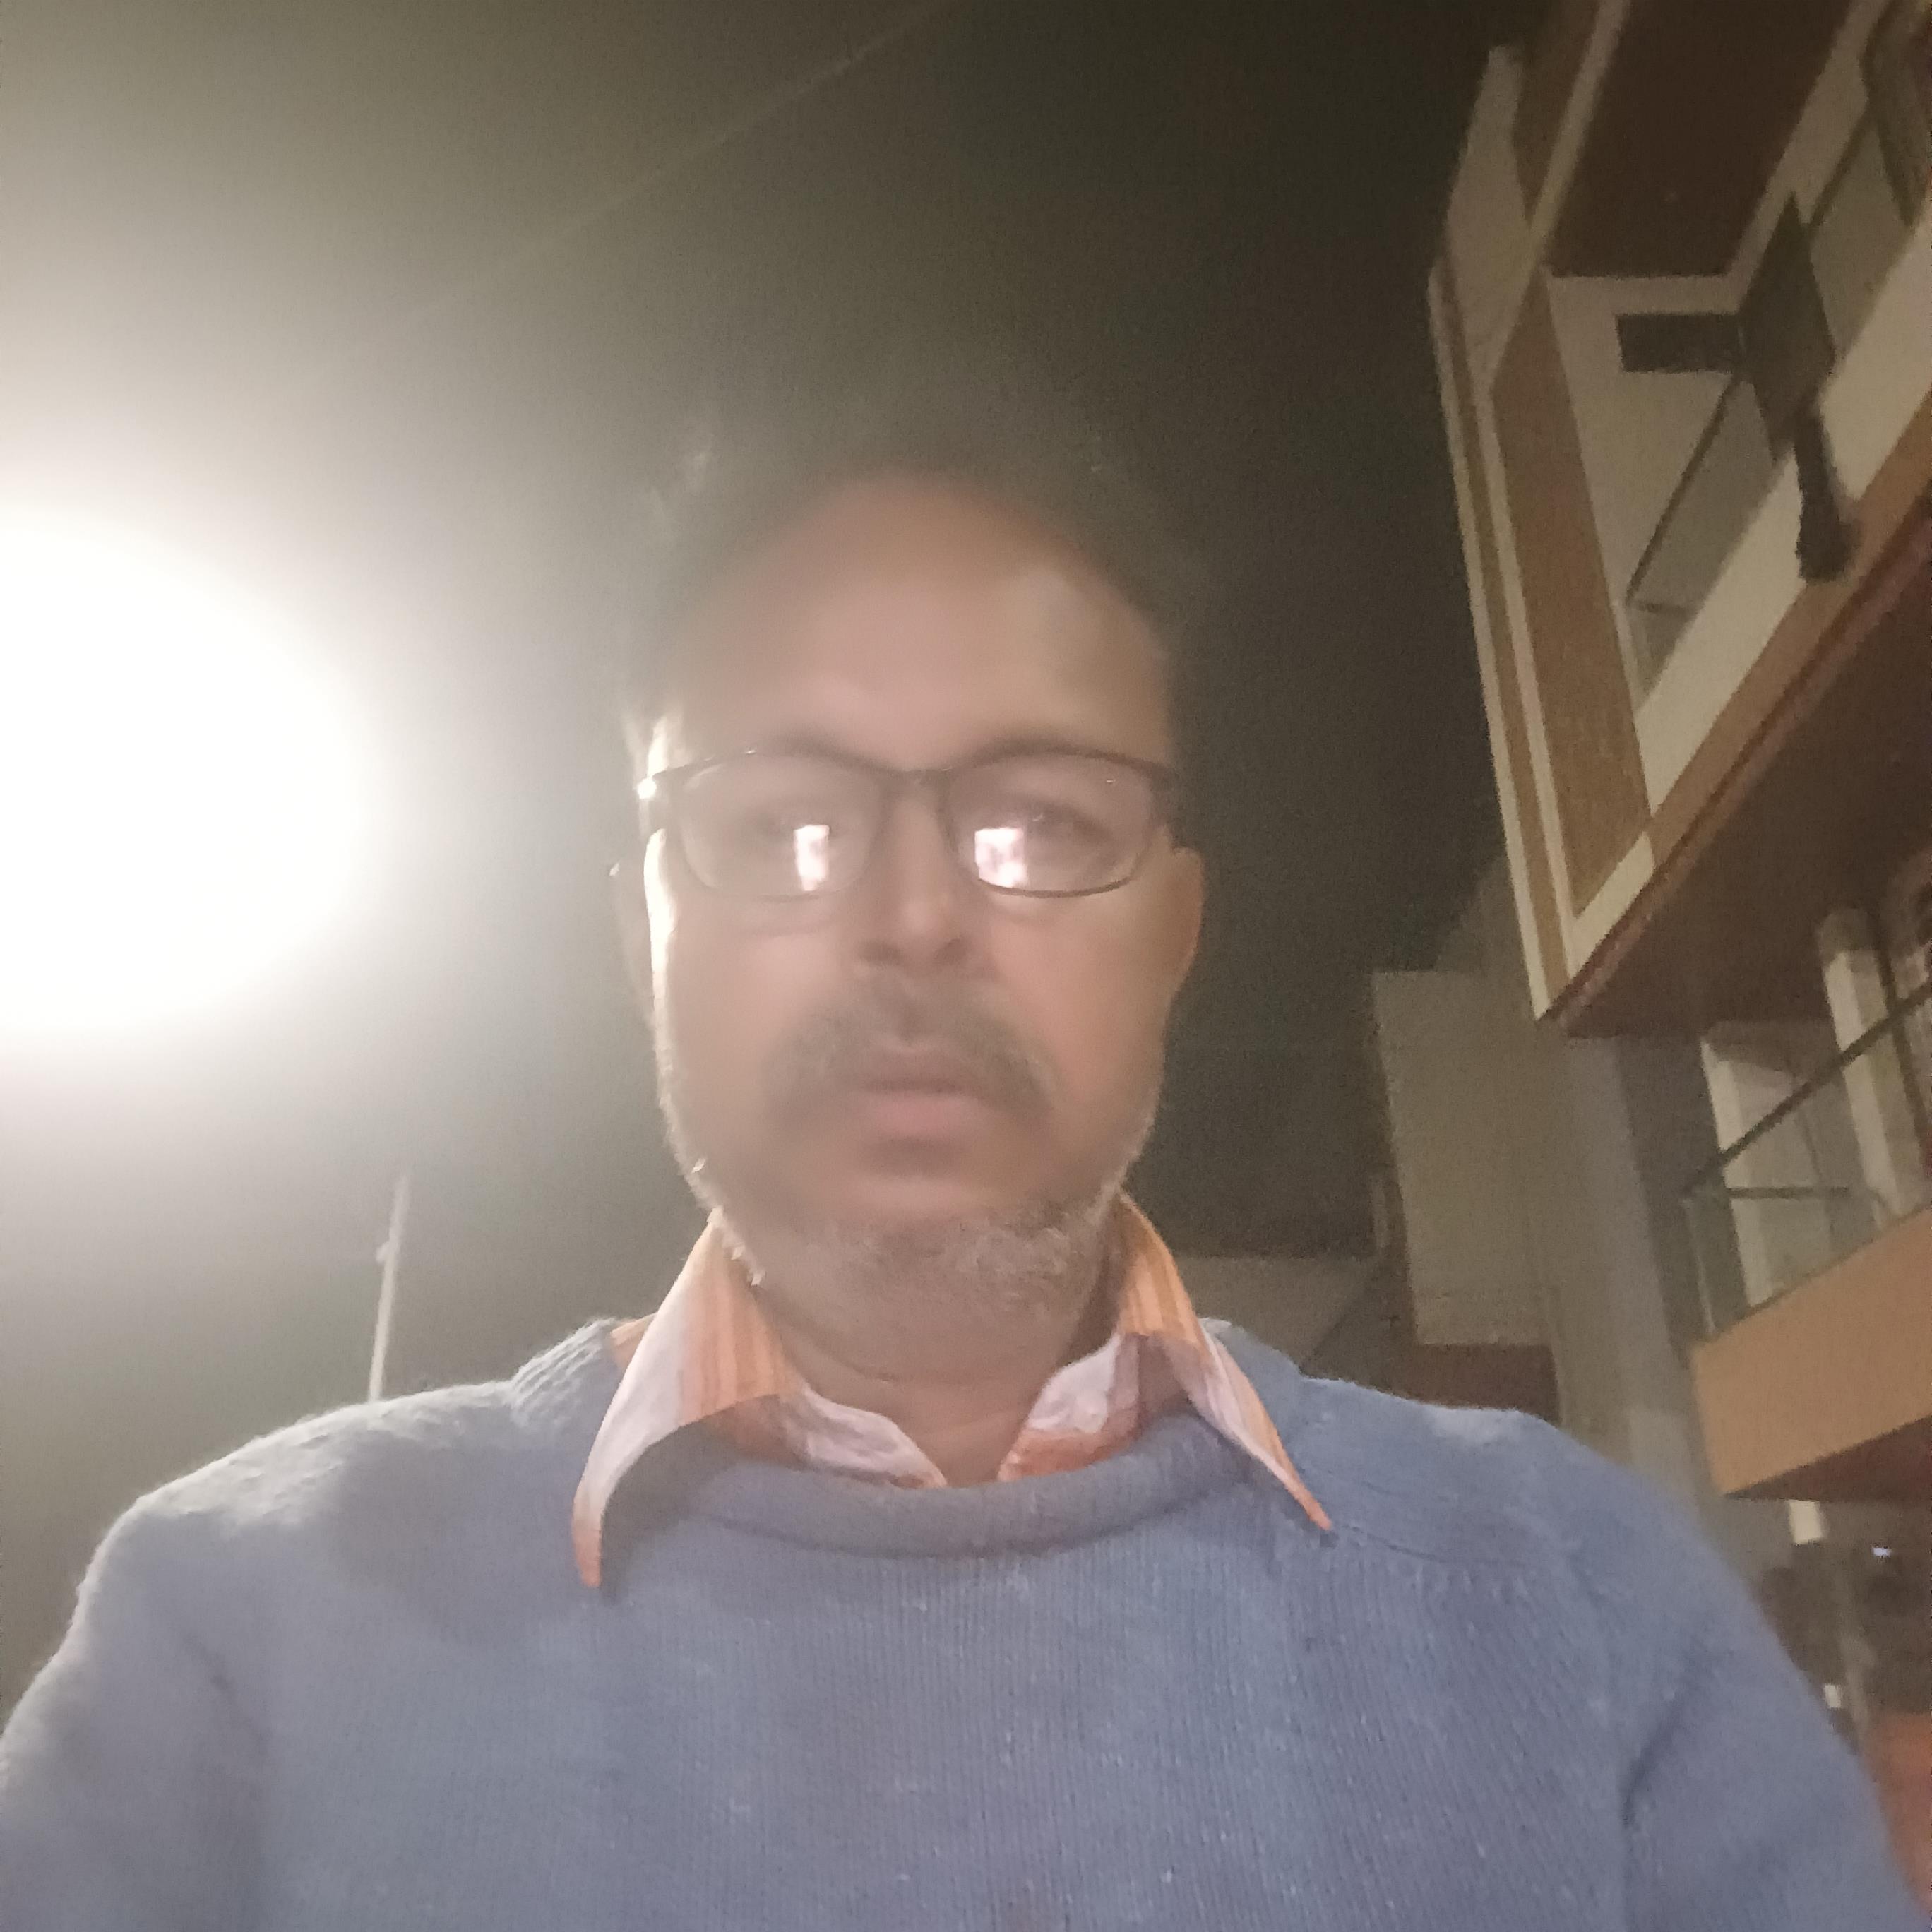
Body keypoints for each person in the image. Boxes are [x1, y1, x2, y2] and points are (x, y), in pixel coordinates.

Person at [0, 366, 1919, 1932]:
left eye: (1039, 821)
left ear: (1174, 932)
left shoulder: (1574, 1600)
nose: (915, 918)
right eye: (777, 824)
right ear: (641, 942)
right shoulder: (237, 1626)